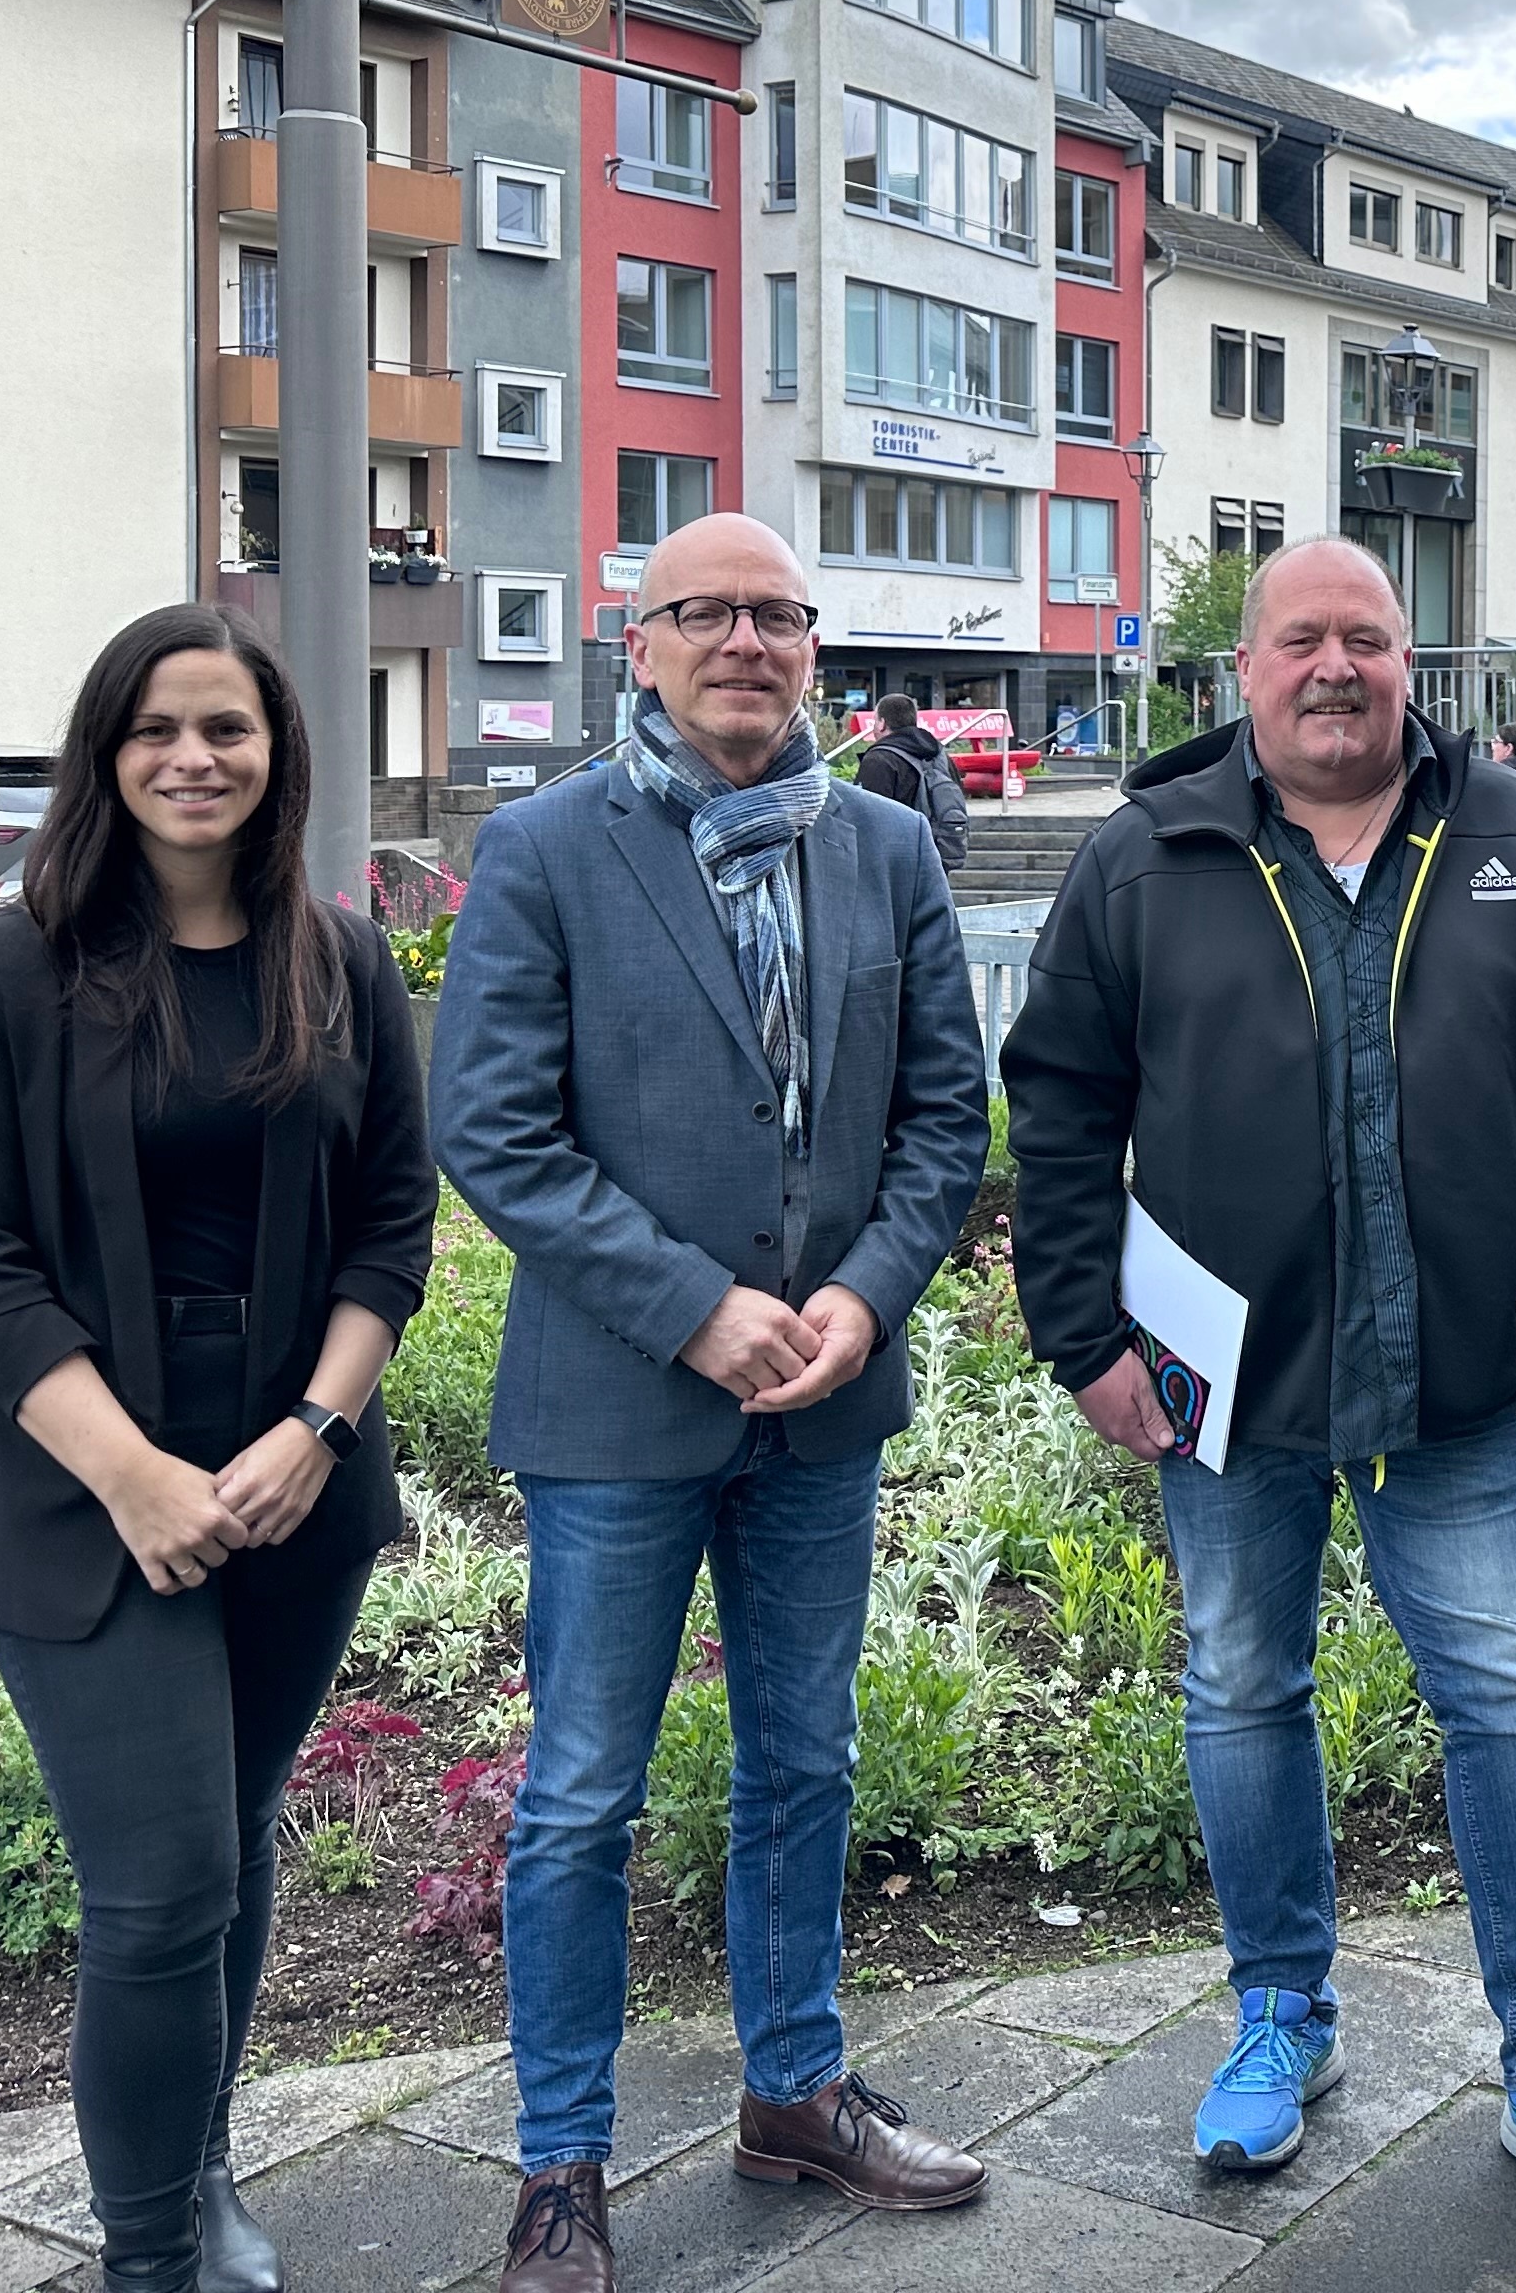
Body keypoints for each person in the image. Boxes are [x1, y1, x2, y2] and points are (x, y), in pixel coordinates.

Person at [1003, 538, 1516, 2240]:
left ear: (1406, 660)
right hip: (1228, 1370)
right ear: (1244, 667)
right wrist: (1081, 1332)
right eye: (1300, 637)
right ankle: (1279, 2015)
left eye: (1365, 637)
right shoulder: (1149, 853)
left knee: (1508, 1692)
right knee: (1238, 1683)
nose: (1335, 666)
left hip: (1451, 1367)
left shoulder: (1511, 837)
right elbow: (1062, 1100)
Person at [434, 515, 992, 2293]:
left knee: (804, 1759)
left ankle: (793, 2083)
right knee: (583, 1791)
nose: (745, 636)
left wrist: (853, 1294)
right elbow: (495, 1128)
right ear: (643, 640)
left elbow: (942, 1120)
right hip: (617, 1404)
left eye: (776, 612)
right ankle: (560, 2163)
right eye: (708, 610)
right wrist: (696, 1309)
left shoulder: (889, 846)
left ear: (812, 647)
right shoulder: (539, 848)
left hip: (824, 1394)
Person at [0, 605, 437, 2293]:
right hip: (86, 1483)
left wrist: (315, 1425)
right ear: (102, 753)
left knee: (236, 1821)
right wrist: (131, 1471)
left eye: (226, 725)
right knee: (159, 1882)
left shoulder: (340, 958)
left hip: (296, 1471)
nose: (192, 755)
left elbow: (393, 1226)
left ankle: (200, 2168)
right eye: (155, 727)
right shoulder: (1, 970)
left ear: (278, 748)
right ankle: (149, 2254)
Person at [850, 693, 970, 871]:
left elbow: (866, 819)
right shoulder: (940, 755)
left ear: (882, 723)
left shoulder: (880, 759)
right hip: (936, 855)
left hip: (896, 864)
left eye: (875, 720)